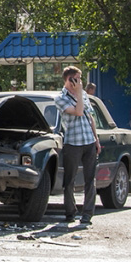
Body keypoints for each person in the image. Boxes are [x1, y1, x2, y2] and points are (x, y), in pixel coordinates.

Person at [54, 66, 101, 225]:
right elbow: (78, 111)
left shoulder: (84, 95)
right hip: (73, 143)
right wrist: (79, 93)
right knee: (70, 180)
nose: (79, 82)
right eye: (77, 79)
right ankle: (70, 212)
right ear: (69, 79)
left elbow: (89, 116)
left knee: (90, 179)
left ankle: (87, 214)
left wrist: (96, 139)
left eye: (80, 79)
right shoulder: (60, 98)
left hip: (88, 141)